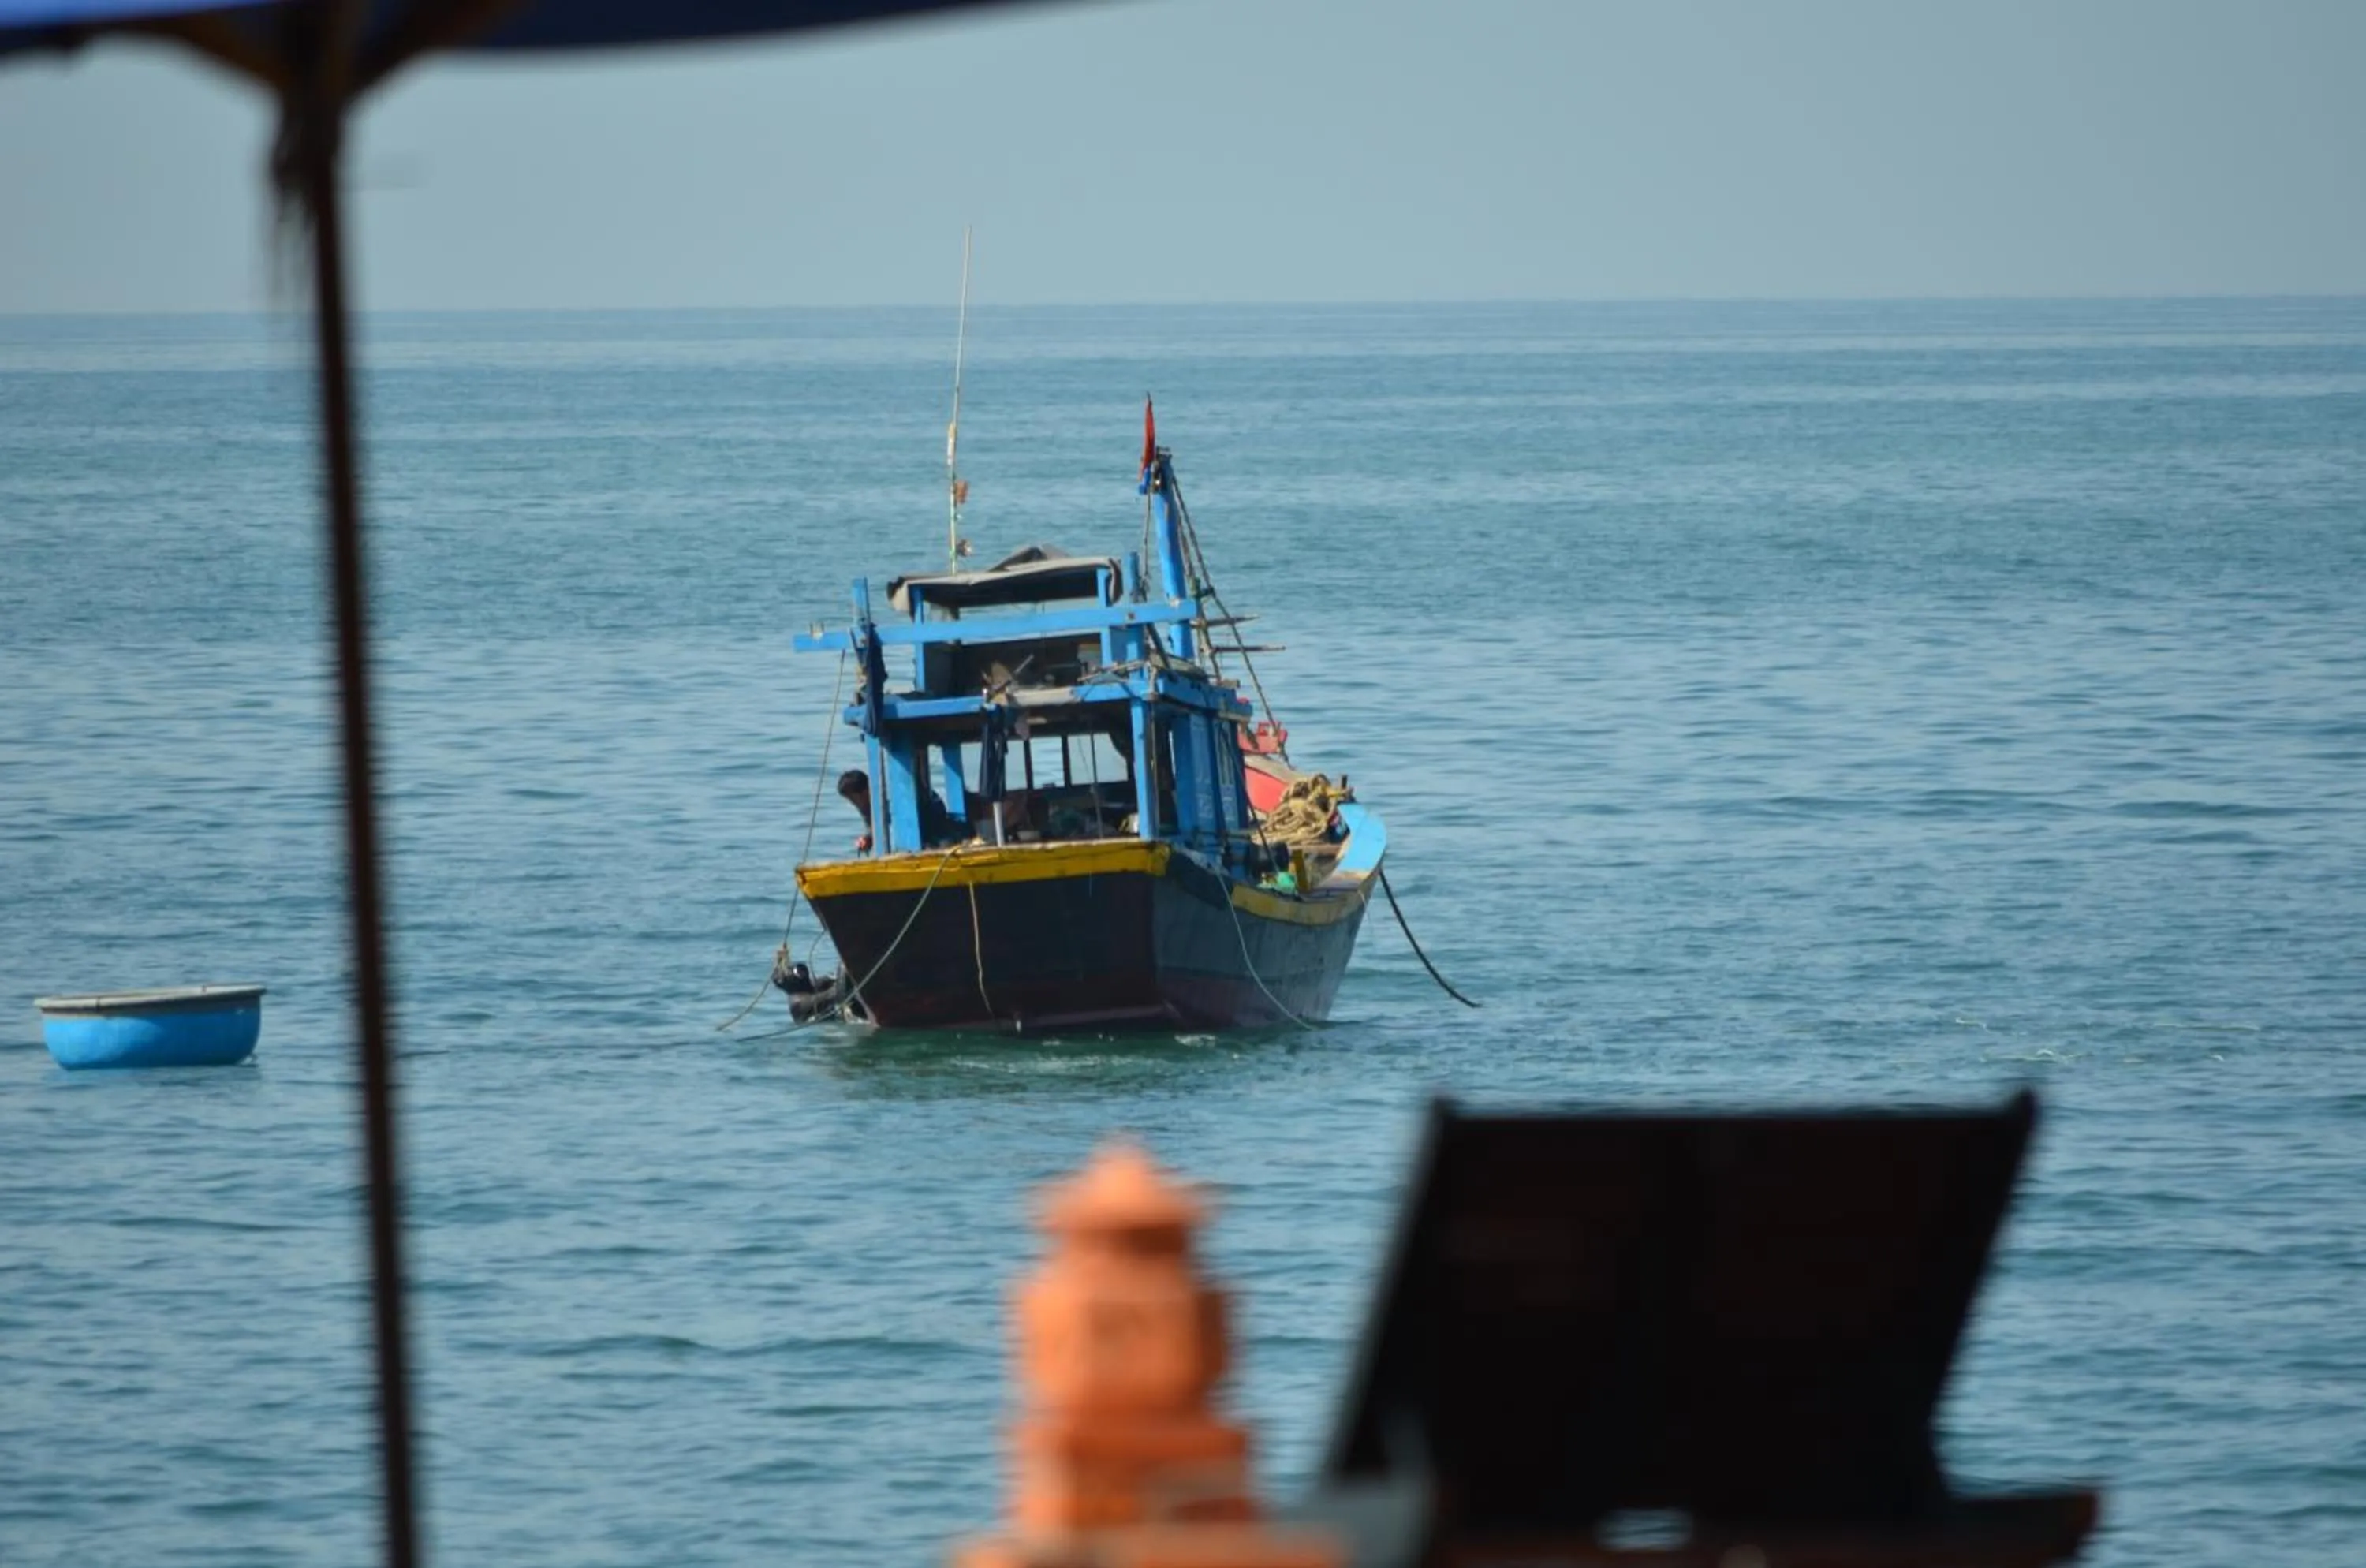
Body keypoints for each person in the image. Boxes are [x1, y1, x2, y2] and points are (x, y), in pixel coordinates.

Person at [838, 767, 957, 852]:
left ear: (866, 791)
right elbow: (873, 827)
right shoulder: (866, 806)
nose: (853, 804)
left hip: (932, 820)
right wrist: (868, 839)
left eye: (853, 799)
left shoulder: (893, 795)